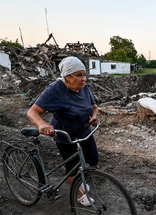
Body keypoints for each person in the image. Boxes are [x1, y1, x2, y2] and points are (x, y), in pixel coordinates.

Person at [27, 56, 99, 206]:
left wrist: (93, 117)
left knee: (92, 160)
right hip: (65, 135)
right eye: (79, 75)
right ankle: (79, 193)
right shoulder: (55, 90)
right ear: (67, 76)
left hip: (84, 132)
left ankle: (80, 178)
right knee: (72, 168)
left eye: (84, 74)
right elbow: (32, 112)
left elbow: (94, 107)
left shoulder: (83, 87)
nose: (83, 79)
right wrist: (42, 125)